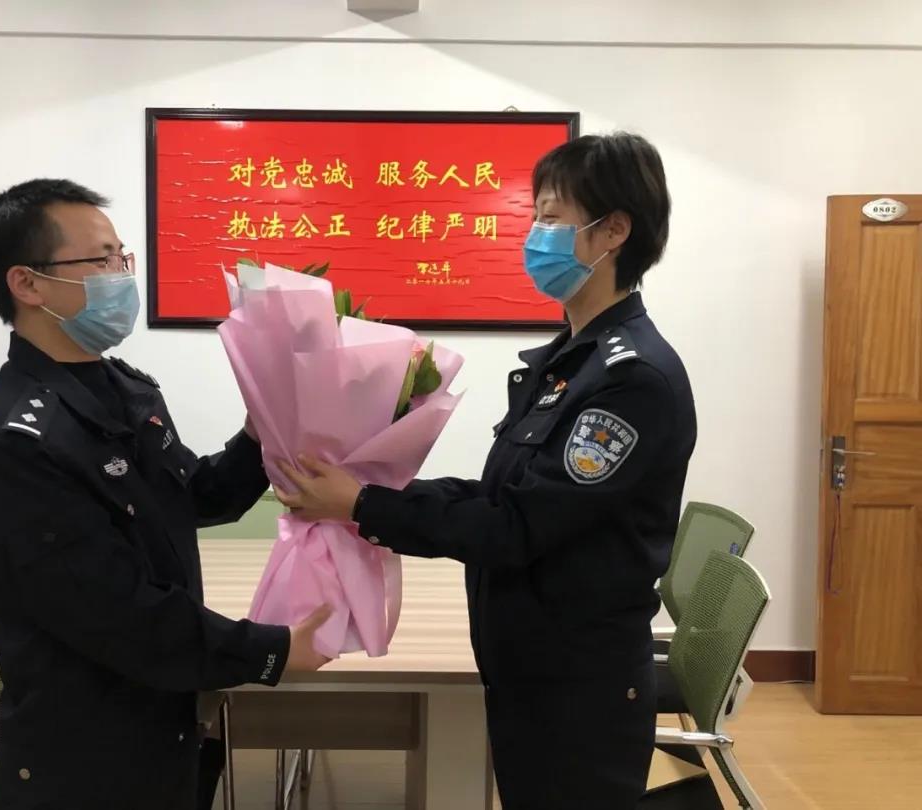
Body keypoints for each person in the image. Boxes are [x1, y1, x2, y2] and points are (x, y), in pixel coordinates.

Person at [272, 133, 697, 809]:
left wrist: (363, 506)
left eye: (552, 219)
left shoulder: (629, 380)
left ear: (614, 230)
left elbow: (516, 528)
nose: (535, 237)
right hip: (534, 667)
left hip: (578, 684)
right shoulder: (568, 363)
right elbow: (499, 496)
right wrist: (368, 492)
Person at [0, 179, 330, 810]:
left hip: (162, 724)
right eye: (100, 260)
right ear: (28, 284)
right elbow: (119, 615)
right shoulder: (12, 444)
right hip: (81, 759)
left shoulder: (123, 388)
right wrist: (269, 652)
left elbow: (192, 495)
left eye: (122, 256)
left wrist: (260, 434)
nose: (122, 275)